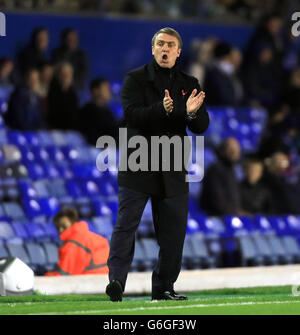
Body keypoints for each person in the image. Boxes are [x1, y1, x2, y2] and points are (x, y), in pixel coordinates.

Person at [106, 27, 209, 302]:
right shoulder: (135, 79)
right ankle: (116, 281)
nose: (165, 49)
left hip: (173, 165)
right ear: (153, 49)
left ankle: (164, 287)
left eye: (170, 45)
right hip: (138, 162)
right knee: (126, 226)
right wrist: (167, 110)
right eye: (160, 44)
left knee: (174, 233)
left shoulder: (190, 82)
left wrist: (192, 113)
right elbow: (132, 116)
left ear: (178, 51)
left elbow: (201, 127)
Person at [45, 208, 109, 276]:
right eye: (58, 228)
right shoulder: (98, 238)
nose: (60, 230)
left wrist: (44, 275)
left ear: (73, 223)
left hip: (88, 282)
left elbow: (62, 275)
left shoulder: (73, 244)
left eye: (64, 226)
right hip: (105, 280)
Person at [198, 137, 243, 216]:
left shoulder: (232, 170)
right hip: (215, 217)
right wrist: (235, 212)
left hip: (230, 215)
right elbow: (216, 200)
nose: (235, 152)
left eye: (237, 149)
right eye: (231, 149)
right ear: (222, 150)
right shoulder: (215, 170)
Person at [78, 78, 119, 145]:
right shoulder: (87, 111)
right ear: (95, 91)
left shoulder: (108, 111)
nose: (109, 91)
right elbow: (91, 137)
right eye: (106, 88)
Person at [46, 62, 79, 130]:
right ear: (58, 76)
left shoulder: (73, 94)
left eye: (68, 74)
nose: (66, 77)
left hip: (70, 131)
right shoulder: (52, 92)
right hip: (55, 129)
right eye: (63, 74)